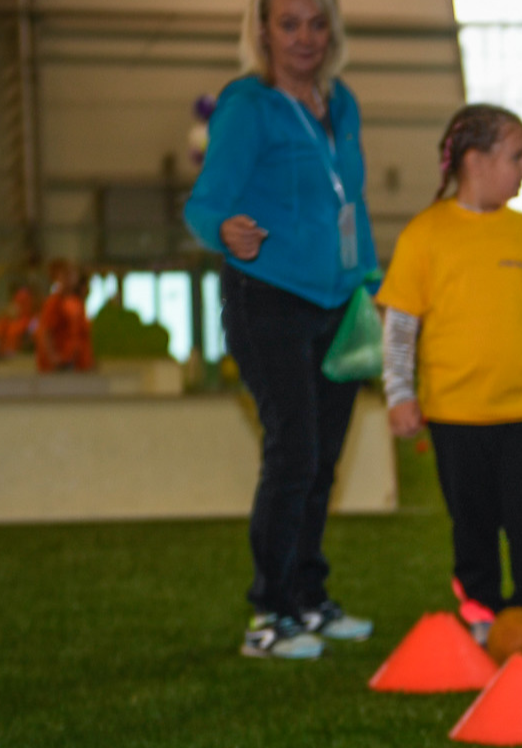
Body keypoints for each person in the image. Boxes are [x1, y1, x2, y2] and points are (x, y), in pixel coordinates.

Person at [184, 0, 379, 660]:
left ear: (333, 32)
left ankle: (308, 598)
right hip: (266, 298)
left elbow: (351, 200)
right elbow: (205, 201)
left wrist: (371, 283)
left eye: (316, 23)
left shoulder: (342, 101)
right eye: (289, 23)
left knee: (323, 458)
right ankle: (269, 614)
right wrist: (223, 230)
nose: (305, 37)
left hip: (339, 302)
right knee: (293, 452)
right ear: (262, 31)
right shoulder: (246, 104)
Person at [376, 104, 522, 659]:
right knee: (471, 526)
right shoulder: (425, 234)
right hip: (453, 415)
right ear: (475, 160)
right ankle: (482, 617)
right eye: (516, 157)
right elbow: (400, 327)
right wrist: (399, 393)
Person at [34, 260, 93, 372]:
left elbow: (83, 334)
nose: (69, 278)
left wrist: (88, 359)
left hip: (77, 363)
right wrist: (53, 357)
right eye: (66, 274)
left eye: (72, 274)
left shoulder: (78, 303)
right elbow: (46, 332)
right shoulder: (53, 303)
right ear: (58, 278)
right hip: (59, 364)